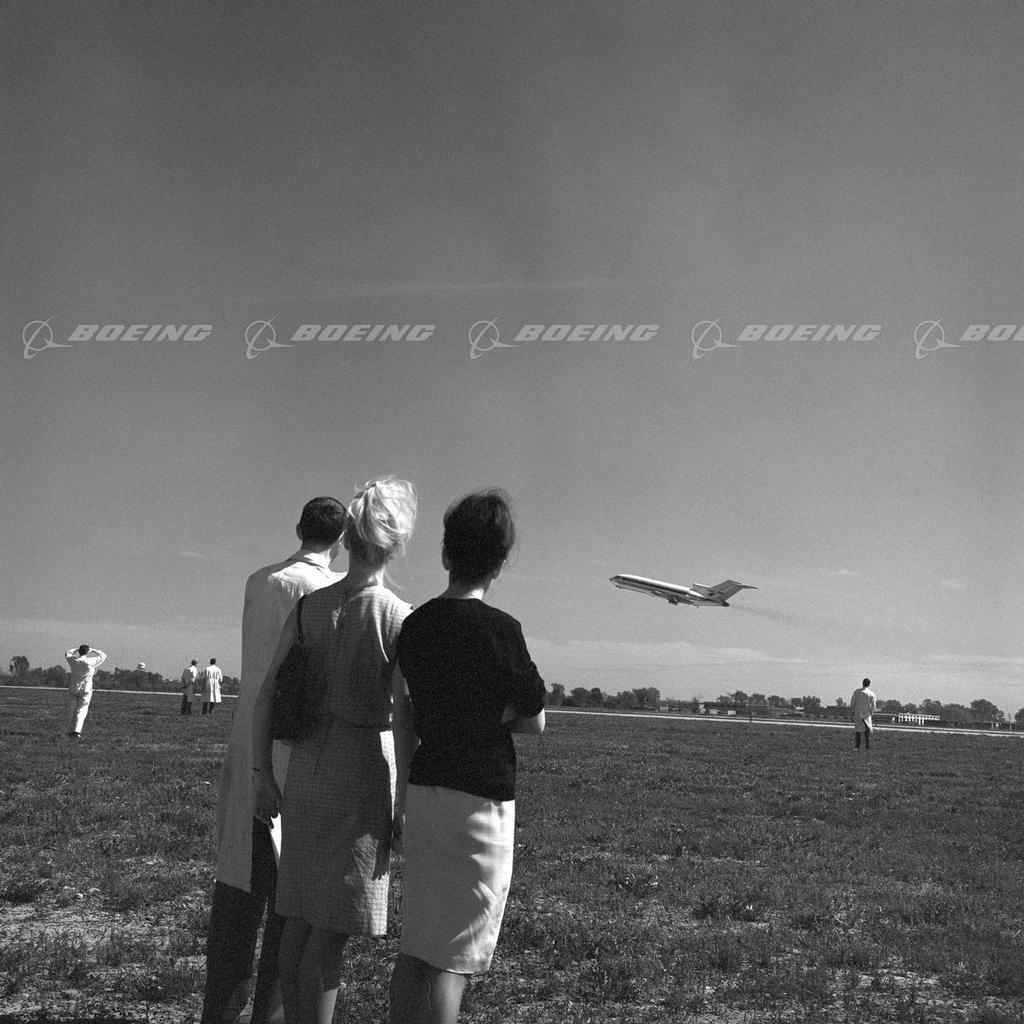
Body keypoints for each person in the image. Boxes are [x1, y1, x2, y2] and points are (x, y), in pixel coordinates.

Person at [253, 478, 417, 1024]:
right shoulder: (398, 616)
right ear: (394, 544)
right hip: (362, 774)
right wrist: (403, 803)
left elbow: (267, 693)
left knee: (299, 920)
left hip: (306, 771)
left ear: (347, 538)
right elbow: (404, 719)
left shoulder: (309, 608)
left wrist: (261, 772)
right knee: (329, 935)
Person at [389, 489, 546, 1024]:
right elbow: (535, 720)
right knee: (453, 960)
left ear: (446, 553)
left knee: (417, 947)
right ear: (499, 563)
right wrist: (488, 713)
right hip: (481, 802)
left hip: (424, 790)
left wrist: (399, 798)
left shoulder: (415, 626)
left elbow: (405, 712)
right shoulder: (504, 631)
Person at [202, 497, 347, 1024]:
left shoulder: (258, 581)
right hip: (296, 751)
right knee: (288, 902)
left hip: (247, 742)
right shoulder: (330, 592)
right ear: (340, 540)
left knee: (237, 891)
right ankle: (270, 1012)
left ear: (298, 528)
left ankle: (220, 1009)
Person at [63, 644, 107, 738]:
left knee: (72, 710)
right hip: (86, 689)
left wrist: (76, 649)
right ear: (87, 652)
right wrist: (93, 650)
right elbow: (103, 656)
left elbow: (67, 653)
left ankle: (69, 731)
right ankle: (76, 731)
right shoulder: (90, 661)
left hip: (74, 687)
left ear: (79, 651)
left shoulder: (74, 661)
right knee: (82, 710)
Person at [851, 677, 877, 750]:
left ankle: (857, 747)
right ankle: (867, 747)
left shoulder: (856, 692)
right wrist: (871, 713)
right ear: (869, 684)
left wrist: (853, 710)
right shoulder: (871, 694)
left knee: (857, 730)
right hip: (867, 714)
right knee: (867, 730)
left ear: (862, 683)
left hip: (858, 713)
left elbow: (852, 702)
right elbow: (874, 705)